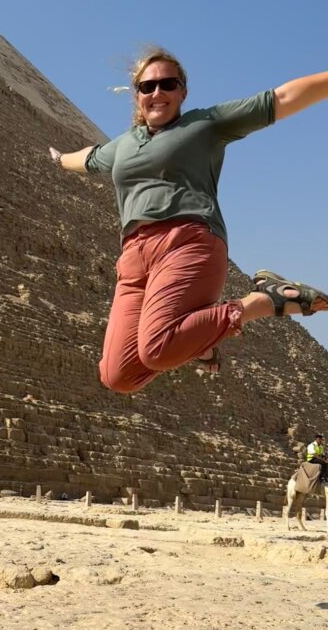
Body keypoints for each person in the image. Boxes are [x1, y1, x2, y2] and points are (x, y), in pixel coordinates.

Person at [48, 48, 328, 393]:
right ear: (136, 94)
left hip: (187, 239)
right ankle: (202, 343)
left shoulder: (204, 124)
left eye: (168, 84)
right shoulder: (122, 146)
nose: (157, 93)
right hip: (134, 256)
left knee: (156, 349)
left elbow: (280, 98)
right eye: (147, 86)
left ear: (183, 91)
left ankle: (265, 301)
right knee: (117, 376)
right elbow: (89, 158)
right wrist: (59, 159)